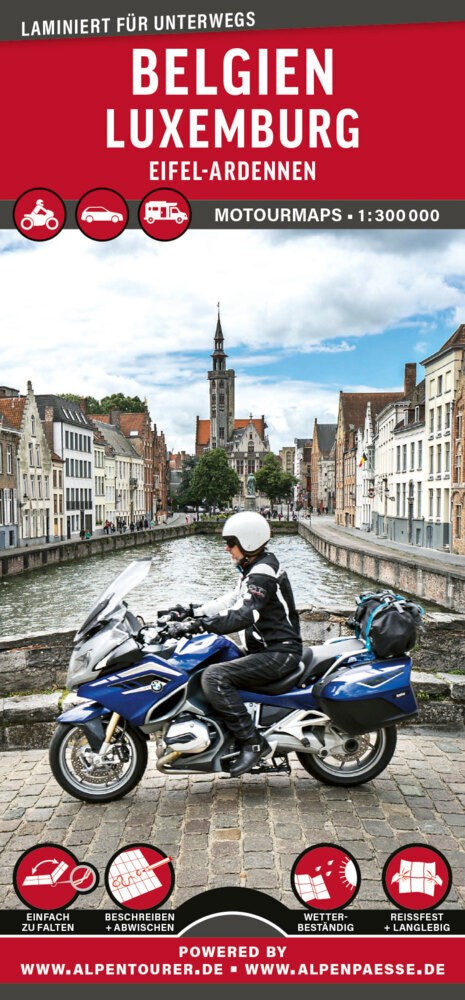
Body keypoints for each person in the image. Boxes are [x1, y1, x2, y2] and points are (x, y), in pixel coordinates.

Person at [164, 511, 302, 777]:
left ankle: (253, 743)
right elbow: (231, 600)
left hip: (280, 652)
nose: (227, 548)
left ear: (248, 542)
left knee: (214, 677)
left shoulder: (262, 574)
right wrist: (191, 611)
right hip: (267, 649)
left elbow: (243, 614)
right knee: (216, 656)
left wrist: (199, 626)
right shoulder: (256, 567)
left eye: (231, 542)